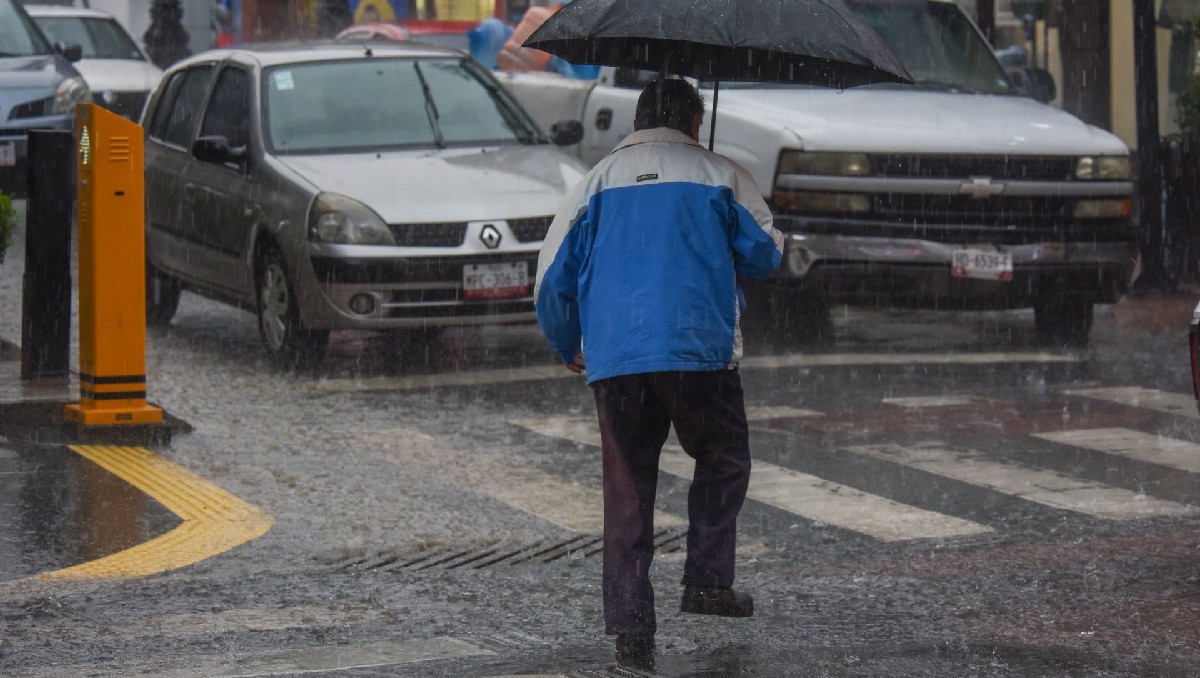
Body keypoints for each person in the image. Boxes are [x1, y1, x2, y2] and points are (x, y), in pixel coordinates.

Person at [534, 78, 784, 668]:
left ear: (637, 122)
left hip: (617, 360)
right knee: (723, 459)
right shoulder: (720, 175)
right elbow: (767, 254)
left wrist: (566, 341)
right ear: (695, 121)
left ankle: (631, 628)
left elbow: (551, 276)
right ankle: (706, 580)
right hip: (698, 351)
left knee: (628, 491)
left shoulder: (593, 183)